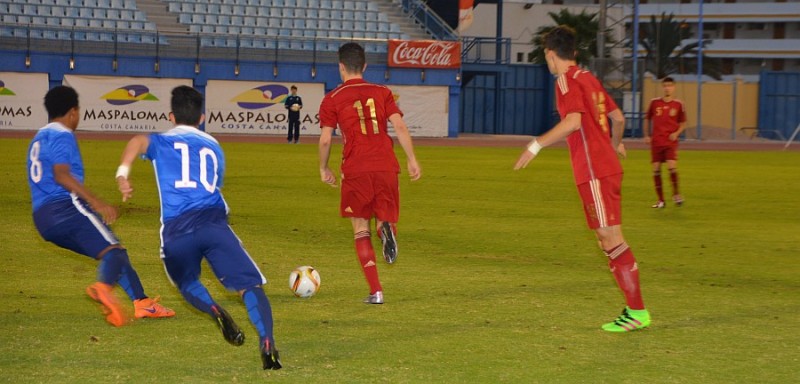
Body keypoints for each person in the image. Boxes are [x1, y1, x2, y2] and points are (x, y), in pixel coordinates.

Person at [115, 86, 282, 370]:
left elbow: (137, 141)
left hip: (176, 231)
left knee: (187, 283)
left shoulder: (160, 141)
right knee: (248, 286)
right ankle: (267, 343)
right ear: (202, 117)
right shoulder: (214, 147)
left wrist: (123, 174)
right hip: (213, 224)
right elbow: (216, 182)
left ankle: (215, 310)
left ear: (171, 115)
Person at [513, 26, 650, 332]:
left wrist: (535, 145)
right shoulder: (589, 78)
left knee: (611, 238)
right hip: (604, 167)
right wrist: (614, 145)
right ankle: (636, 310)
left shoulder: (565, 80)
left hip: (594, 171)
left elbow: (573, 122)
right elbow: (618, 118)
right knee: (606, 238)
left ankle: (637, 312)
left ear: (550, 54)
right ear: (572, 52)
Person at [26, 85, 175, 327]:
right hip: (66, 208)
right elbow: (61, 175)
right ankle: (104, 288)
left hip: (43, 219)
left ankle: (143, 303)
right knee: (115, 251)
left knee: (111, 253)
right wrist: (96, 201)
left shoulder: (39, 137)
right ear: (73, 111)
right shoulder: (62, 135)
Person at [318, 42, 421, 304]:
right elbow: (399, 126)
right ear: (364, 66)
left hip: (355, 168)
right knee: (383, 215)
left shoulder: (332, 98)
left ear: (340, 67)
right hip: (386, 164)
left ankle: (376, 292)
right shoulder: (383, 91)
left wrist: (324, 167)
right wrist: (411, 159)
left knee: (360, 228)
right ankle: (386, 229)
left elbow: (326, 140)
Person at [644, 76, 687, 208]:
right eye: (665, 85)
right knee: (656, 170)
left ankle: (676, 195)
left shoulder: (679, 104)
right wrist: (647, 135)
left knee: (671, 167)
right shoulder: (655, 103)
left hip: (670, 142)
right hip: (657, 141)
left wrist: (676, 133)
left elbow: (683, 123)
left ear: (674, 88)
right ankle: (661, 200)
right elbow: (647, 119)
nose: (667, 88)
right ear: (663, 87)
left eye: (670, 85)